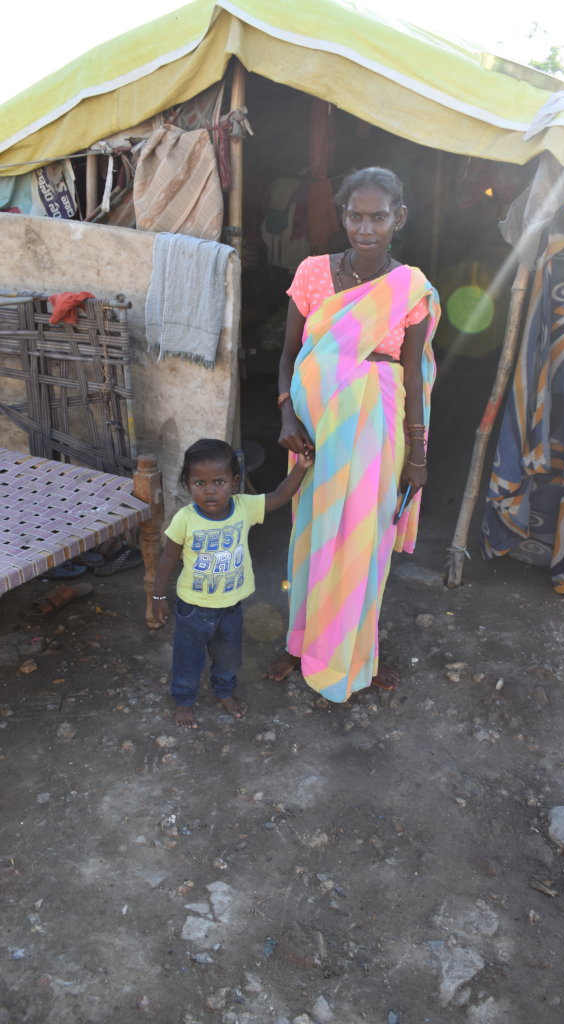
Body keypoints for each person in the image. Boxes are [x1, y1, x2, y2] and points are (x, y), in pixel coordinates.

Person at [267, 166, 441, 703]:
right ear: (342, 216)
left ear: (398, 218)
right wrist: (287, 417)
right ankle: (301, 643)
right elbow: (289, 353)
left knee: (366, 543)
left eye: (378, 217)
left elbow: (413, 375)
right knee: (313, 534)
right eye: (355, 216)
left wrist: (418, 453)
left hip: (378, 429)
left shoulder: (410, 289)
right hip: (315, 429)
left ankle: (358, 653)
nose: (366, 228)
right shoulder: (313, 273)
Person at [152, 438, 313, 728]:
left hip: (231, 609)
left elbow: (280, 495)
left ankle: (224, 692)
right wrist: (158, 597)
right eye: (199, 483)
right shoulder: (184, 519)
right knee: (187, 660)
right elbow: (167, 559)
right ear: (187, 485)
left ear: (234, 482)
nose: (210, 490)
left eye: (219, 482)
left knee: (228, 659)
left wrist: (301, 467)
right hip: (192, 610)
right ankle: (184, 701)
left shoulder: (244, 508)